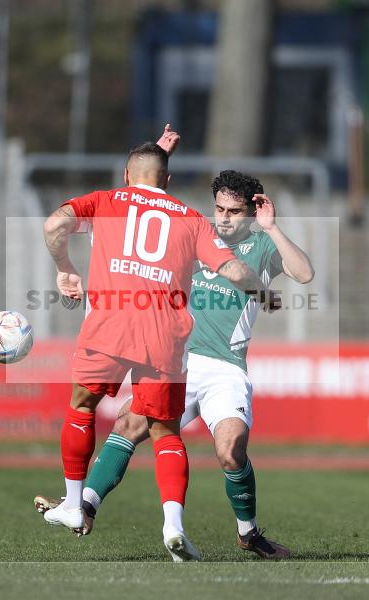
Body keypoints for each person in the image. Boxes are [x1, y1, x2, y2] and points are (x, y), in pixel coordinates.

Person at [37, 168, 314, 560]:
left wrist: (270, 229)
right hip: (178, 358)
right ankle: (83, 507)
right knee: (129, 425)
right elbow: (146, 202)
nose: (224, 217)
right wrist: (162, 158)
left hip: (226, 369)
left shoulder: (261, 248)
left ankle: (249, 533)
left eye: (234, 211)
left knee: (230, 451)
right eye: (219, 208)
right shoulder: (193, 232)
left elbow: (304, 273)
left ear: (250, 212)